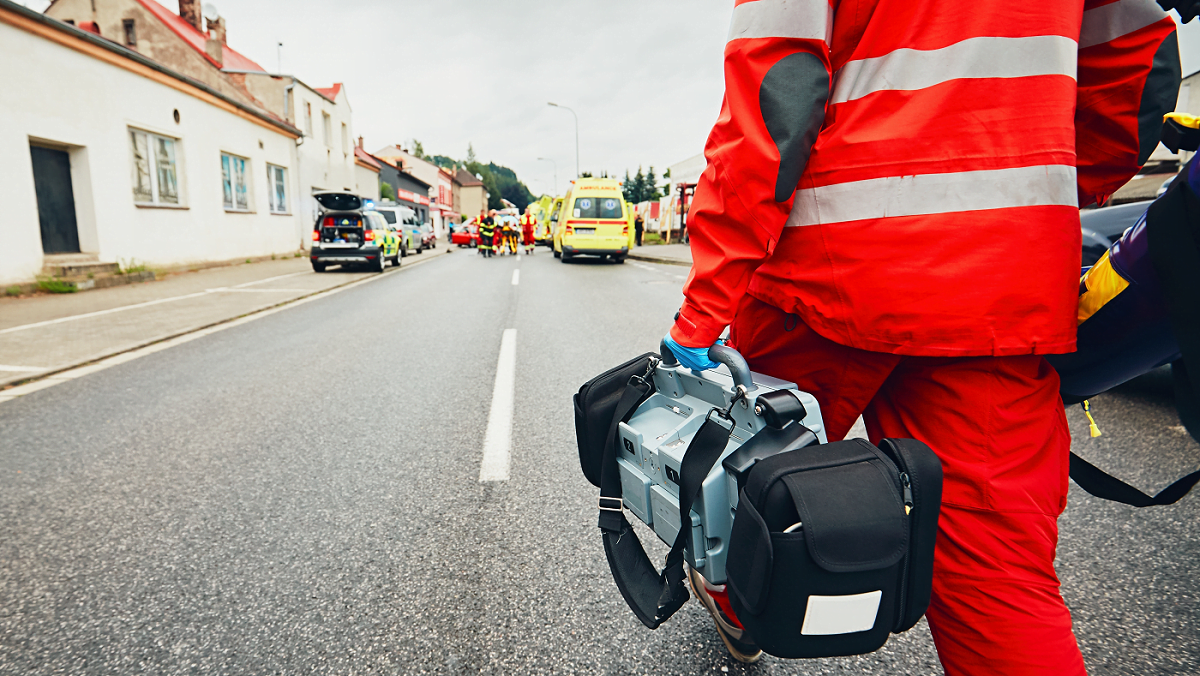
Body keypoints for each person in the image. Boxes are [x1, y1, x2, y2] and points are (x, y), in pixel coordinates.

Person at [660, 0, 1180, 671]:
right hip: (996, 285)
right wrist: (1022, 196)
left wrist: (704, 309)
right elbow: (1137, 73)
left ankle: (742, 604)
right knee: (998, 583)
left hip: (823, 271)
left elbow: (774, 97)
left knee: (745, 481)